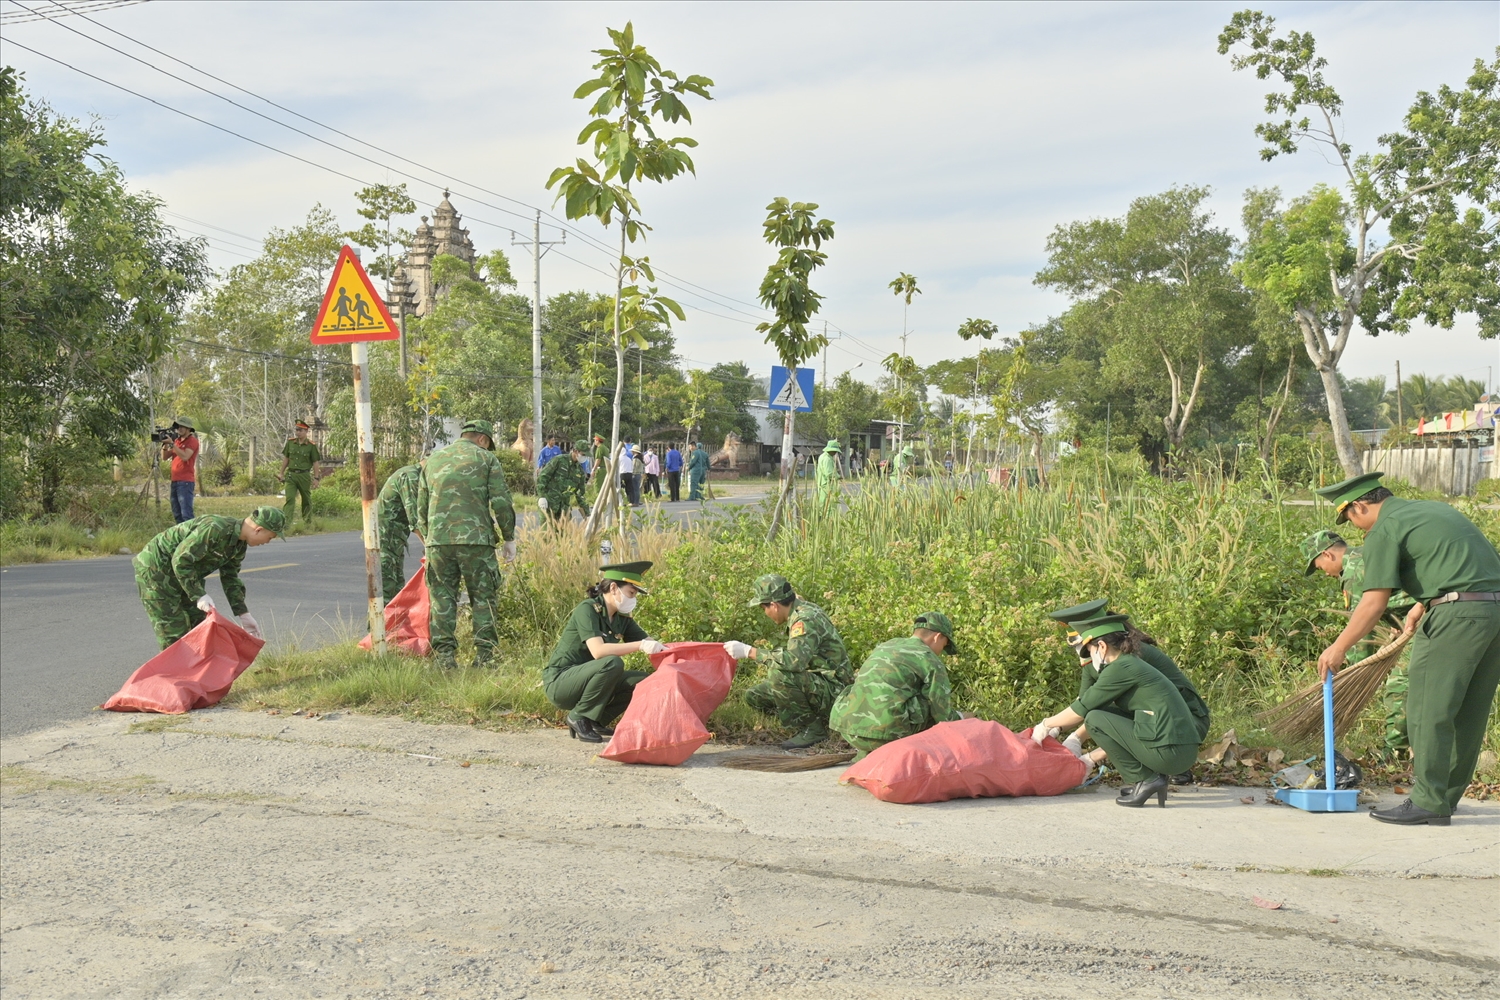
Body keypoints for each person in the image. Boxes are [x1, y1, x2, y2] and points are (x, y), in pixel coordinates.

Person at [1312, 472, 1500, 826]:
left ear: (1360, 506)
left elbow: (1373, 602)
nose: (1354, 528)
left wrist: (1338, 648)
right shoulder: (1436, 510)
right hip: (1493, 612)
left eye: (1350, 518)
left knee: (1428, 707)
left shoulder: (1383, 528)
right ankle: (1444, 798)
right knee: (1469, 711)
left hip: (1456, 619)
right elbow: (1467, 567)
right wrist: (1425, 602)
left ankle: (1429, 801)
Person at [1034, 614, 1200, 808]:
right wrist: (1061, 730)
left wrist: (1046, 724)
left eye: (1090, 649)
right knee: (1104, 714)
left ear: (1102, 646)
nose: (1088, 656)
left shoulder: (1121, 668)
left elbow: (1081, 710)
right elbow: (1087, 701)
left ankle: (1146, 779)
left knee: (1095, 719)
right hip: (1176, 746)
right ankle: (1149, 780)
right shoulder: (1127, 663)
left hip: (1172, 751)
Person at [1302, 528, 1418, 758]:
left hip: (1429, 618)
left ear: (1327, 555)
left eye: (1318, 566)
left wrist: (1351, 674)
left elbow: (1362, 630)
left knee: (1399, 686)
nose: (1324, 573)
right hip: (1417, 618)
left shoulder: (1354, 570)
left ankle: (1395, 752)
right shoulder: (1364, 555)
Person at [416, 419, 517, 670]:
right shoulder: (486, 459)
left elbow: (420, 509)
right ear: (483, 440)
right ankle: (485, 657)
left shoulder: (432, 460)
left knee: (442, 599)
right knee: (483, 597)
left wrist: (431, 539)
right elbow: (501, 502)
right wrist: (509, 537)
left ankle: (444, 658)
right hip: (476, 541)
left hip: (438, 542)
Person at [724, 573, 855, 749]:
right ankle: (806, 718)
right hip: (820, 683)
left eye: (764, 608)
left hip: (836, 690)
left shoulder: (804, 619)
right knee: (755, 696)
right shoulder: (799, 608)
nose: (765, 614)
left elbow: (794, 662)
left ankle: (812, 729)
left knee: (779, 674)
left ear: (774, 605)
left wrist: (750, 652)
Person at [543, 561, 667, 743]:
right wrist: (640, 645)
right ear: (614, 587)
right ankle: (578, 716)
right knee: (612, 662)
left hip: (590, 681)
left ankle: (595, 720)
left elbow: (652, 644)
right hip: (562, 682)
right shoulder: (588, 609)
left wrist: (682, 654)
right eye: (631, 593)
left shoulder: (622, 619)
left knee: (643, 681)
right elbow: (599, 651)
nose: (633, 600)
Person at [134, 506, 284, 649]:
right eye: (270, 537)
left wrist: (243, 613)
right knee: (174, 631)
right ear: (259, 529)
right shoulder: (215, 528)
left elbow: (230, 578)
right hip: (156, 570)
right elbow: (181, 560)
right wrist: (198, 595)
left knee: (199, 626)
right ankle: (175, 674)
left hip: (184, 574)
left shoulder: (238, 545)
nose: (267, 542)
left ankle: (197, 673)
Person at [828, 611, 963, 760]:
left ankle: (868, 752)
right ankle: (903, 754)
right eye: (944, 646)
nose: (941, 652)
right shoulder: (929, 658)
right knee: (929, 704)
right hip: (888, 735)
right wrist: (963, 720)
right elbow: (942, 713)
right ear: (937, 637)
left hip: (849, 730)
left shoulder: (886, 645)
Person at [377, 461, 423, 603]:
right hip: (384, 541)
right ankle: (376, 626)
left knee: (397, 591)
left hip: (394, 541)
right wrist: (430, 547)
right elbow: (415, 521)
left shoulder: (414, 474)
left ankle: (393, 625)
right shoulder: (410, 476)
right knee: (385, 593)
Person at [279, 420, 320, 524]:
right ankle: (286, 523)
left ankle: (307, 522)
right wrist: (281, 473)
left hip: (304, 475)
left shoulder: (311, 446)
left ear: (306, 431)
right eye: (296, 430)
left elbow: (315, 462)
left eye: (300, 430)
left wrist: (316, 478)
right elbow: (286, 459)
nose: (298, 432)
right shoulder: (290, 443)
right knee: (290, 499)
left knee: (306, 499)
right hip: (291, 475)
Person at [537, 440, 588, 523]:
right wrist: (541, 496)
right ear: (575, 451)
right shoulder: (559, 460)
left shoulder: (580, 471)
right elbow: (543, 476)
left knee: (564, 534)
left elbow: (580, 493)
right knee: (547, 533)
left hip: (564, 508)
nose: (584, 457)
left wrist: (587, 514)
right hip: (548, 504)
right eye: (583, 454)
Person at [162, 417, 200, 524]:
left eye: (183, 426)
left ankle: (192, 536)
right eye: (178, 426)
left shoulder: (192, 441)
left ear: (188, 428)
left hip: (185, 481)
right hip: (175, 480)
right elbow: (164, 457)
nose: (180, 428)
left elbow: (185, 456)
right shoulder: (177, 441)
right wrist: (165, 444)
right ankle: (181, 536)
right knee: (177, 513)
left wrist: (172, 444)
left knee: (186, 513)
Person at [816, 440, 843, 508]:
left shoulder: (822, 456)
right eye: (834, 451)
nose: (835, 453)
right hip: (827, 485)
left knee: (822, 504)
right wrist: (839, 476)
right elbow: (829, 474)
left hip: (822, 483)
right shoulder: (827, 459)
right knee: (829, 505)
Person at [618, 440, 639, 507]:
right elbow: (631, 467)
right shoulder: (628, 459)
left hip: (622, 474)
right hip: (629, 474)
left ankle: (621, 501)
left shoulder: (619, 458)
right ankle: (631, 501)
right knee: (630, 488)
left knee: (620, 488)